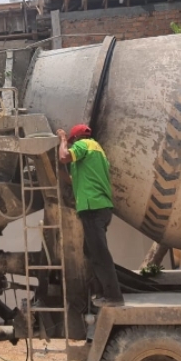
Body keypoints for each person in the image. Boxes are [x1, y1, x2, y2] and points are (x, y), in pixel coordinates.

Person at [56, 124, 124, 308]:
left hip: (93, 208)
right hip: (100, 207)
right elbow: (74, 180)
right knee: (90, 251)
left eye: (71, 142)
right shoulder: (97, 152)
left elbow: (64, 157)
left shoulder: (84, 145)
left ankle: (113, 296)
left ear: (75, 139)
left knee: (100, 254)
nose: (71, 145)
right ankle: (101, 291)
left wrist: (62, 140)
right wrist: (60, 173)